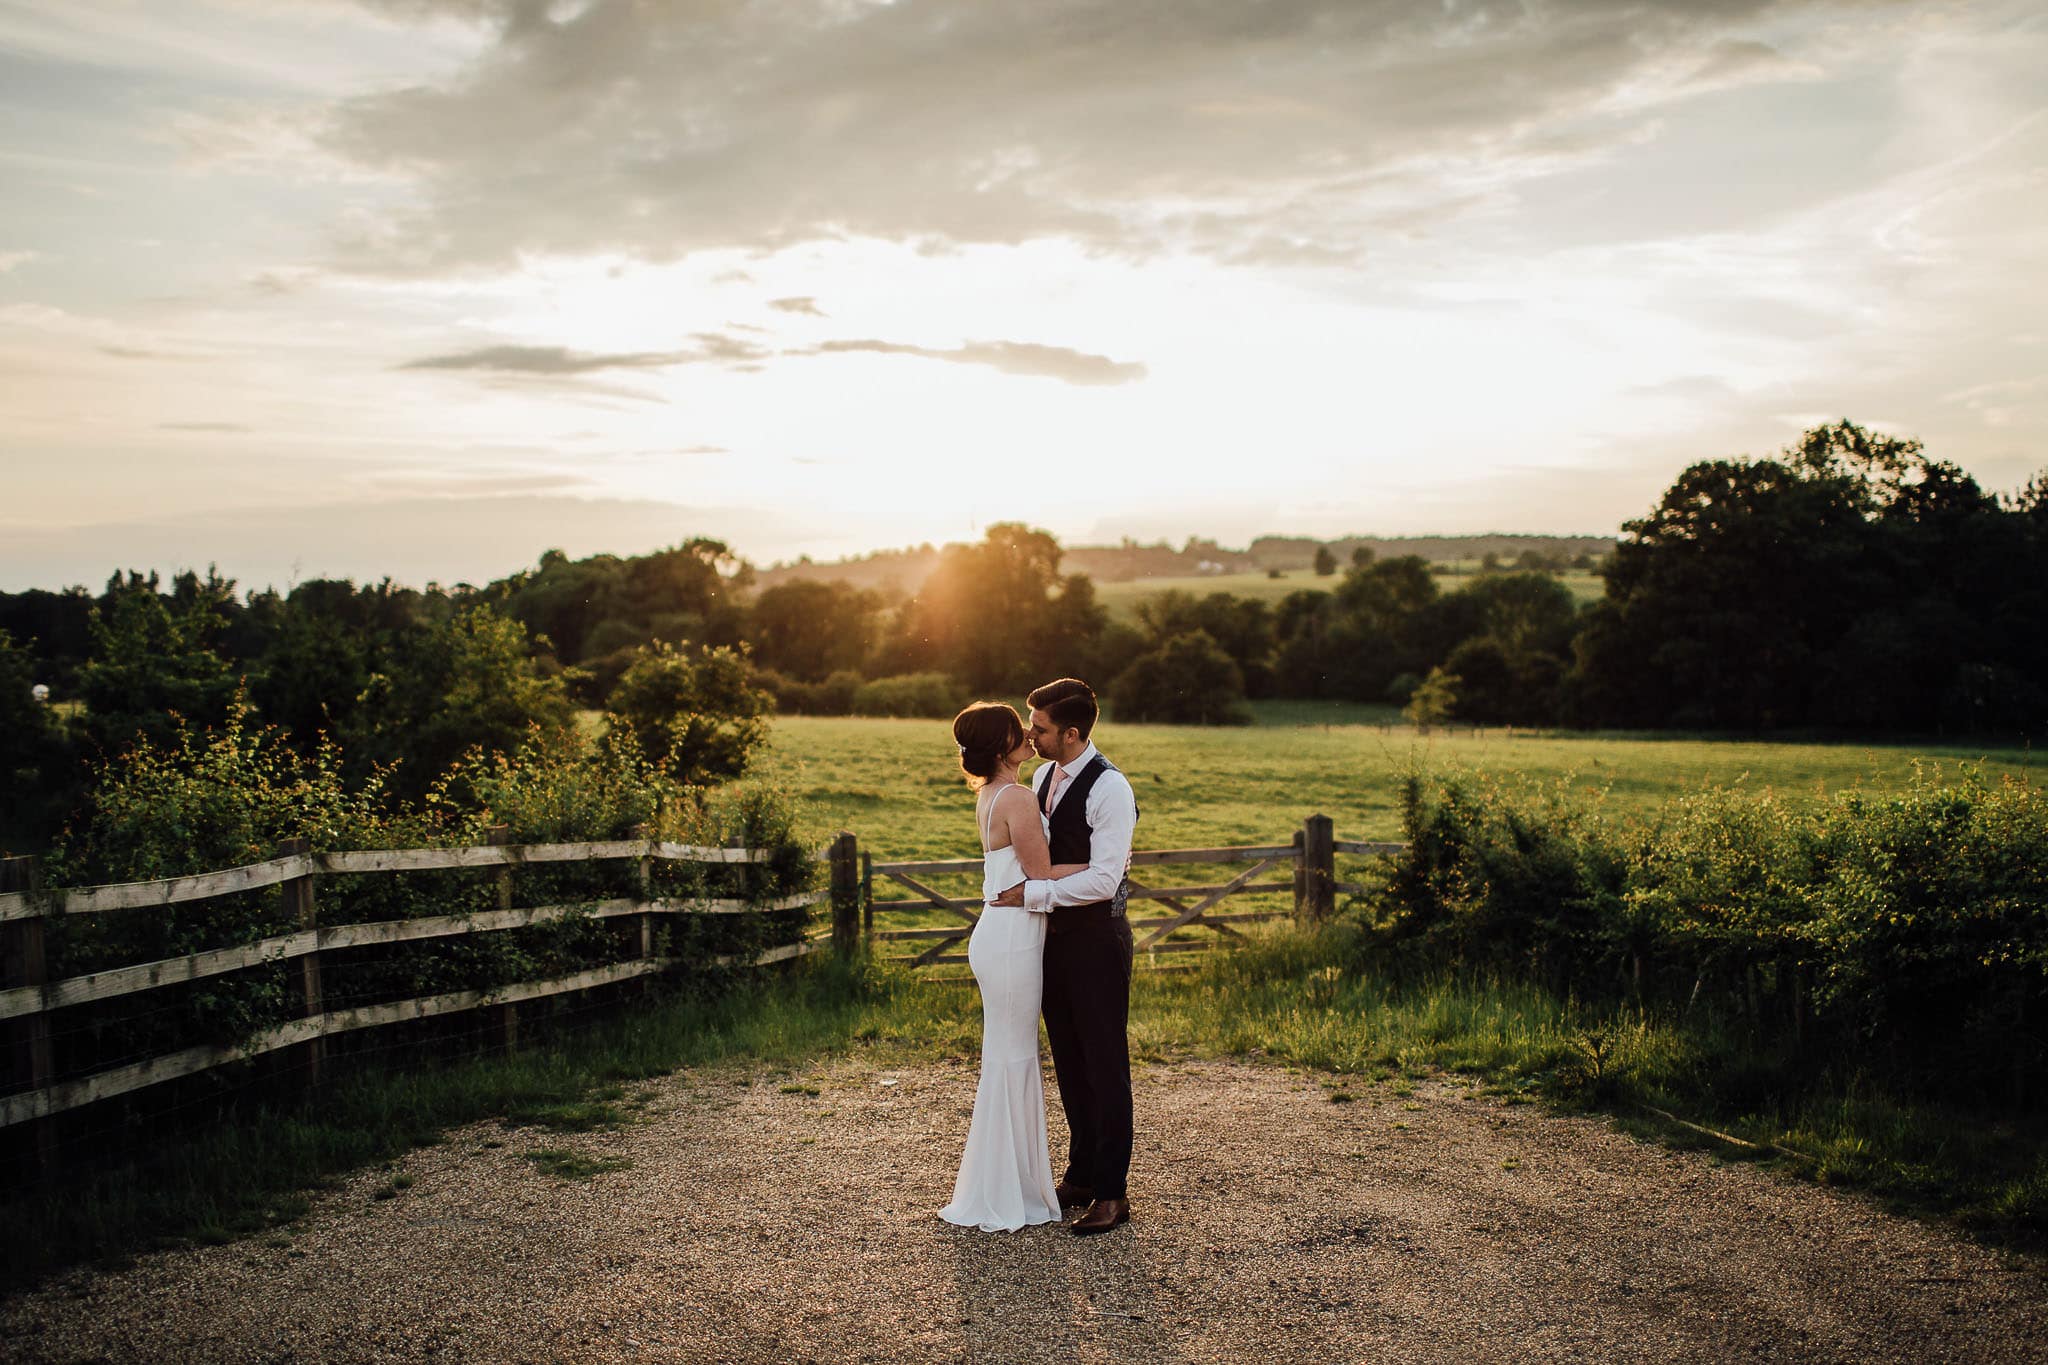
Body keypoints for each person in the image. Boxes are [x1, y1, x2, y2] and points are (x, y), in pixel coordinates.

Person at [987, 677, 1138, 1236]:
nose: (1032, 734)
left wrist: (1033, 893)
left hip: (1098, 940)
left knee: (1104, 1063)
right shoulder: (1047, 774)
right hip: (1052, 941)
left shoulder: (1110, 789)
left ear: (1072, 733)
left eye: (1042, 728)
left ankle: (1113, 1192)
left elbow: (1104, 879)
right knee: (1070, 1061)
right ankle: (1080, 1173)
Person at [936, 701, 1087, 1232]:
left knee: (1008, 1057)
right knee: (1013, 1059)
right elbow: (1042, 873)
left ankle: (1007, 1183)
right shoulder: (1018, 797)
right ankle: (1006, 1192)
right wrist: (1104, 863)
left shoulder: (991, 793)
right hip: (1011, 942)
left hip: (1001, 935)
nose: (1028, 733)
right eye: (1015, 729)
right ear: (1001, 747)